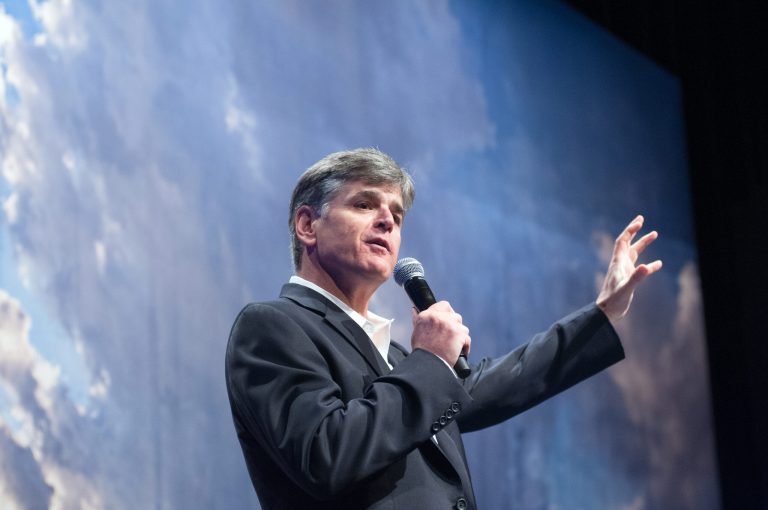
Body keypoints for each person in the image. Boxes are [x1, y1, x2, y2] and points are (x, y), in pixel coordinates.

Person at [225, 148, 662, 510]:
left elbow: (506, 381)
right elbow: (326, 454)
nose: (387, 222)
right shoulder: (272, 326)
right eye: (364, 204)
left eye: (396, 215)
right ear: (307, 225)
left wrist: (603, 312)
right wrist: (431, 361)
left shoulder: (398, 360)